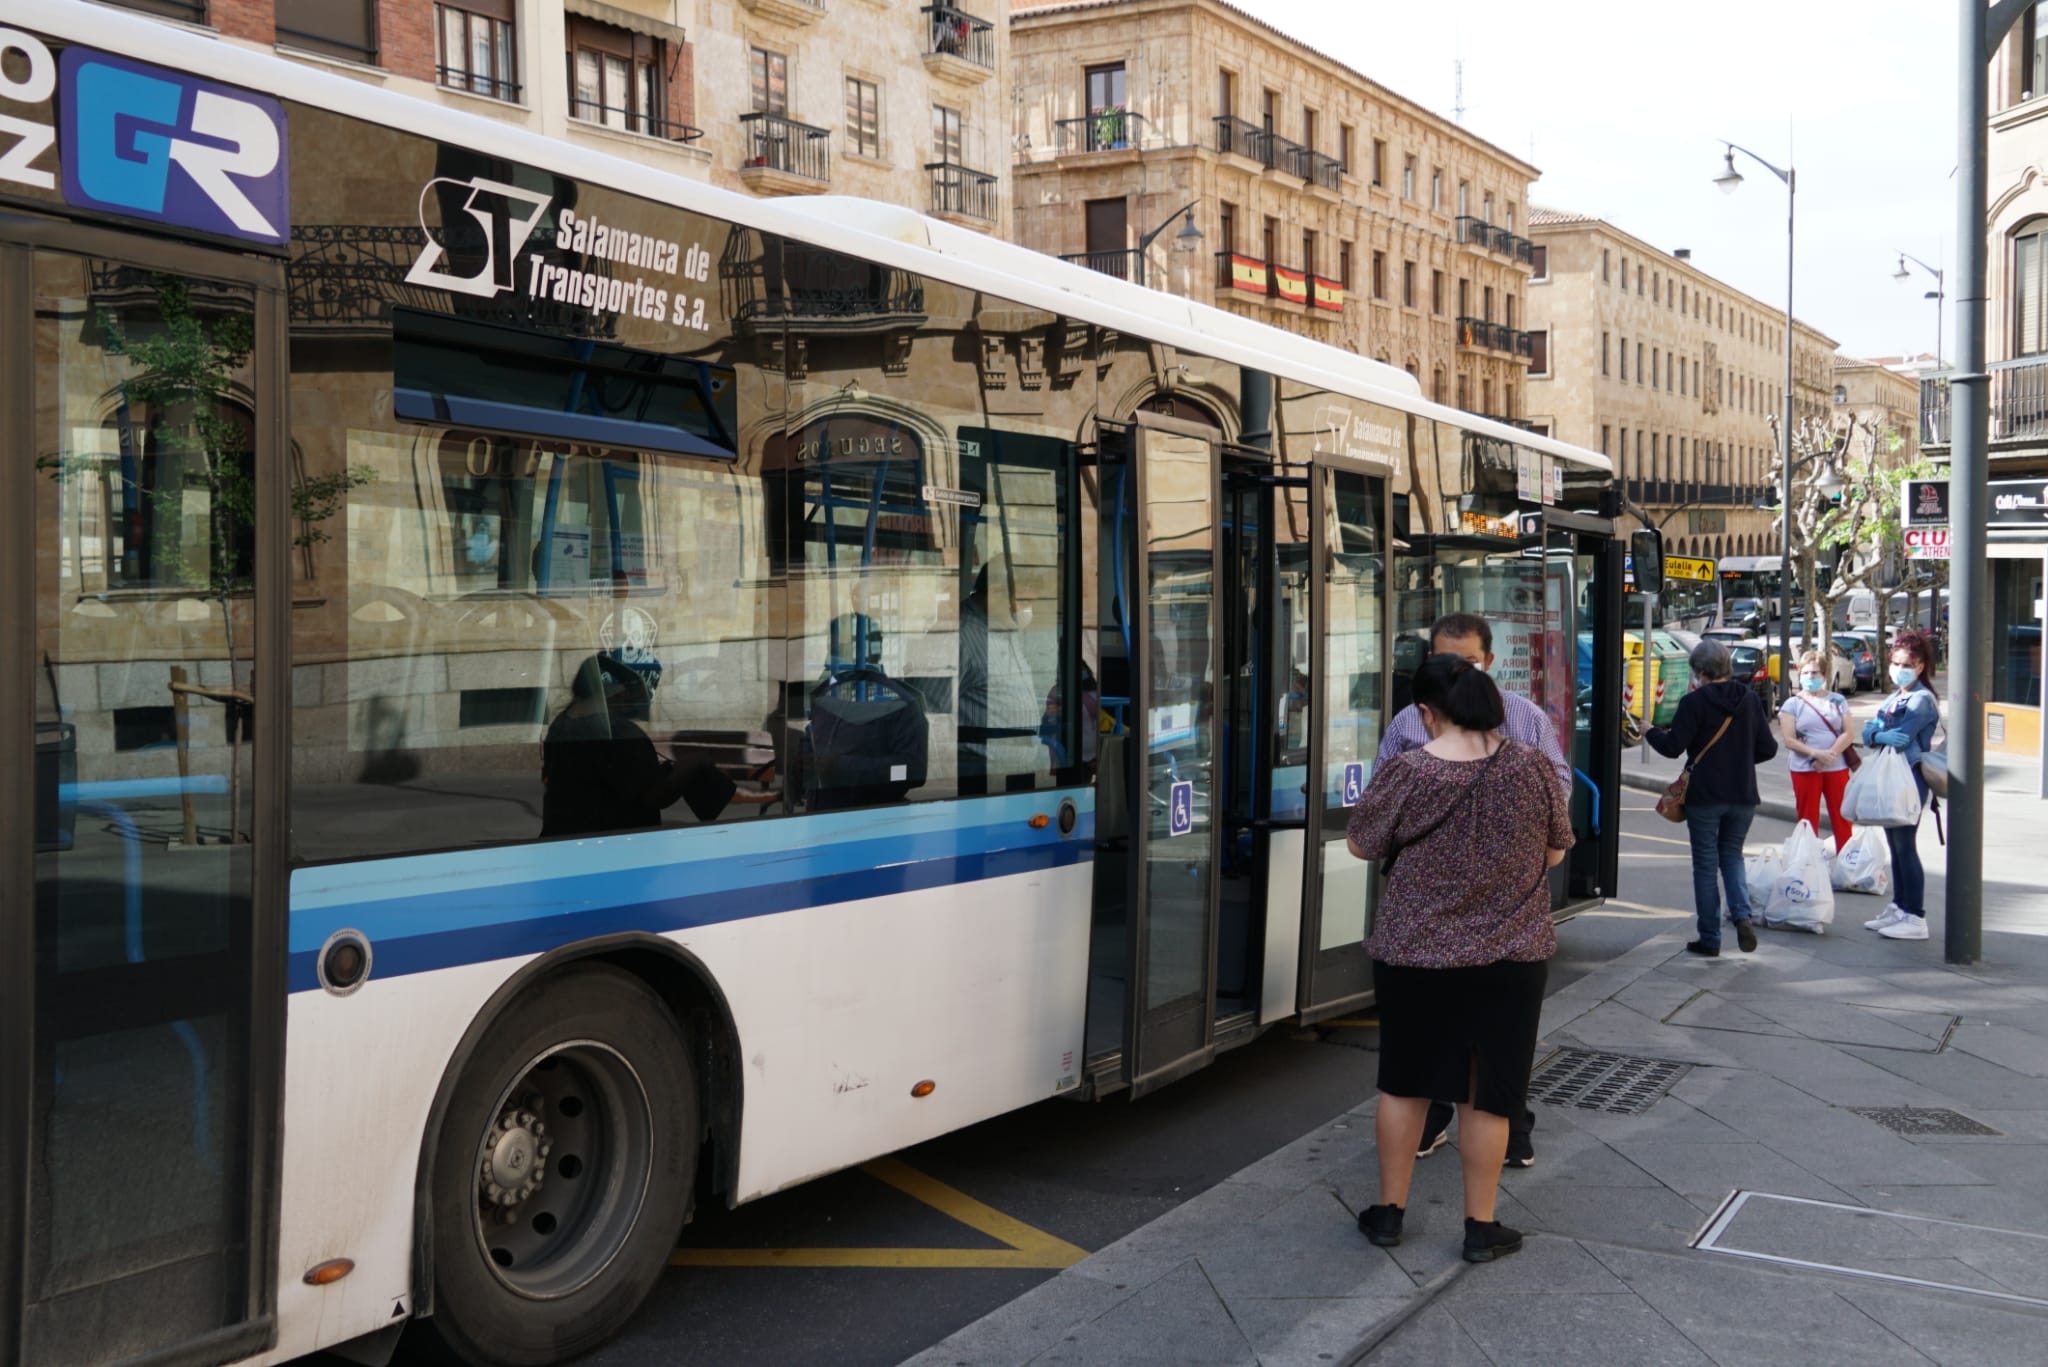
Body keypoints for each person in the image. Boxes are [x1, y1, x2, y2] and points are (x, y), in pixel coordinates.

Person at [1346, 654, 1571, 1264]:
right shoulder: (1531, 767)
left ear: (1426, 712)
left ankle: (1388, 1214)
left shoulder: (1408, 770)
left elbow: (1362, 844)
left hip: (1414, 956)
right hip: (1510, 957)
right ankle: (1480, 1226)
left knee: (1404, 1085)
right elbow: (1556, 853)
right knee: (1488, 1094)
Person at [1378, 612, 1566, 1169]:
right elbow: (1380, 799)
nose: (1456, 672)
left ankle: (1513, 1128)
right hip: (1432, 911)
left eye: (1468, 662)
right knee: (1434, 1040)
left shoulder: (1526, 719)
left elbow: (1557, 792)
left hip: (1503, 908)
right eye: (1445, 660)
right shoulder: (1409, 721)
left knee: (1498, 1048)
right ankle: (1435, 1120)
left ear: (1489, 661)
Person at [1645, 640, 1777, 957]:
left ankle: (1710, 938)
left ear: (1700, 671)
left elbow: (1672, 747)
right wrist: (1739, 760)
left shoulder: (1694, 702)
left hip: (1705, 796)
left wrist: (1650, 731)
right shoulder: (1749, 699)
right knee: (1732, 856)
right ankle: (1742, 917)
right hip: (1743, 793)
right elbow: (1769, 748)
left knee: (1705, 865)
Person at [541, 654, 746, 837]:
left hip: (565, 835)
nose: (631, 702)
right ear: (615, 692)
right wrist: (692, 764)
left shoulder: (562, 724)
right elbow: (654, 796)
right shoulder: (614, 731)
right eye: (630, 693)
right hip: (617, 843)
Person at [1861, 628, 1942, 941]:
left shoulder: (1921, 700)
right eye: (1895, 663)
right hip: (1893, 776)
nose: (1899, 669)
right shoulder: (1898, 696)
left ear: (1920, 666)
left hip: (1910, 777)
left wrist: (1877, 733)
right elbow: (1869, 732)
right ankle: (1900, 906)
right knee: (1895, 846)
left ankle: (1915, 916)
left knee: (1905, 845)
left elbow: (1901, 736)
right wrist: (1878, 733)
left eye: (1906, 664)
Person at [1779, 648, 1856, 853]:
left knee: (1842, 816)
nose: (1810, 677)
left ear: (1824, 675)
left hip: (1836, 766)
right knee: (1807, 818)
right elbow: (1789, 740)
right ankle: (1807, 860)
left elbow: (1848, 733)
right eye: (1805, 673)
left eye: (1815, 672)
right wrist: (1815, 754)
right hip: (1805, 768)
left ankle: (1846, 860)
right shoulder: (1792, 704)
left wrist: (1829, 755)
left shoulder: (1837, 701)